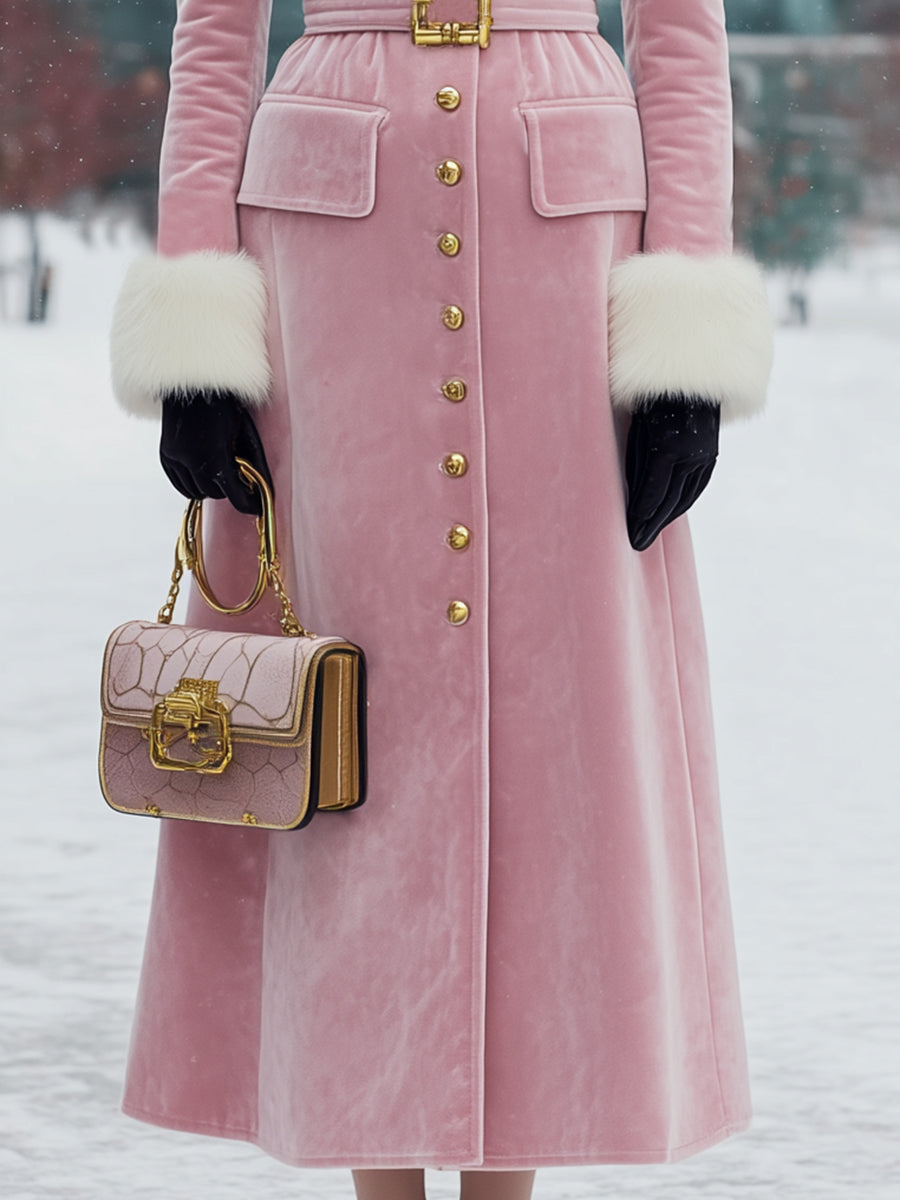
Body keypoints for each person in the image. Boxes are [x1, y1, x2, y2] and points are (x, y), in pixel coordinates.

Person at [109, 2, 773, 1198]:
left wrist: (685, 335)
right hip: (326, 255)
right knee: (348, 734)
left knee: (558, 746)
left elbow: (681, 33)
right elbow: (212, 32)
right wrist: (194, 315)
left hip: (567, 255)